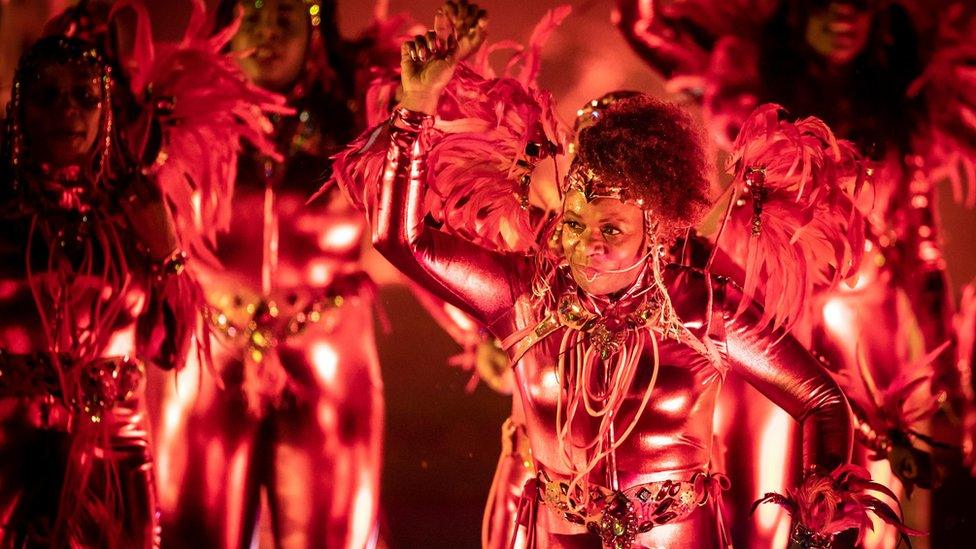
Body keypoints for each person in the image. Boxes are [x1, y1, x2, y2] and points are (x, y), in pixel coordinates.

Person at [341, 17, 896, 545]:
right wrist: (413, 112)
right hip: (556, 534)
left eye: (612, 227)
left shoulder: (703, 307)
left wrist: (819, 513)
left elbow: (821, 399)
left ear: (656, 231)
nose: (588, 244)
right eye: (576, 224)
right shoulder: (527, 296)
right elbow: (401, 241)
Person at [615, 1, 976, 545]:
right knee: (766, 485)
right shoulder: (754, 96)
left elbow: (920, 251)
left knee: (863, 499)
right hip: (776, 324)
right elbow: (645, 22)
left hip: (870, 350)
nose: (841, 14)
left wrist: (948, 376)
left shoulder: (903, 110)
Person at [152, 1, 490, 547]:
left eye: (286, 13)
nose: (268, 32)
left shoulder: (363, 105)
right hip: (208, 357)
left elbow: (418, 218)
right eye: (252, 14)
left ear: (316, 26)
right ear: (225, 25)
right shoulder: (176, 110)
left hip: (329, 354)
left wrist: (474, 328)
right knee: (193, 535)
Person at [0, 34, 191, 548]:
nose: (68, 111)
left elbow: (170, 350)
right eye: (48, 95)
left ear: (106, 111)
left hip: (116, 454)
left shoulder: (134, 207)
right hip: (9, 451)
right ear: (20, 109)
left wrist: (167, 253)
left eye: (85, 96)